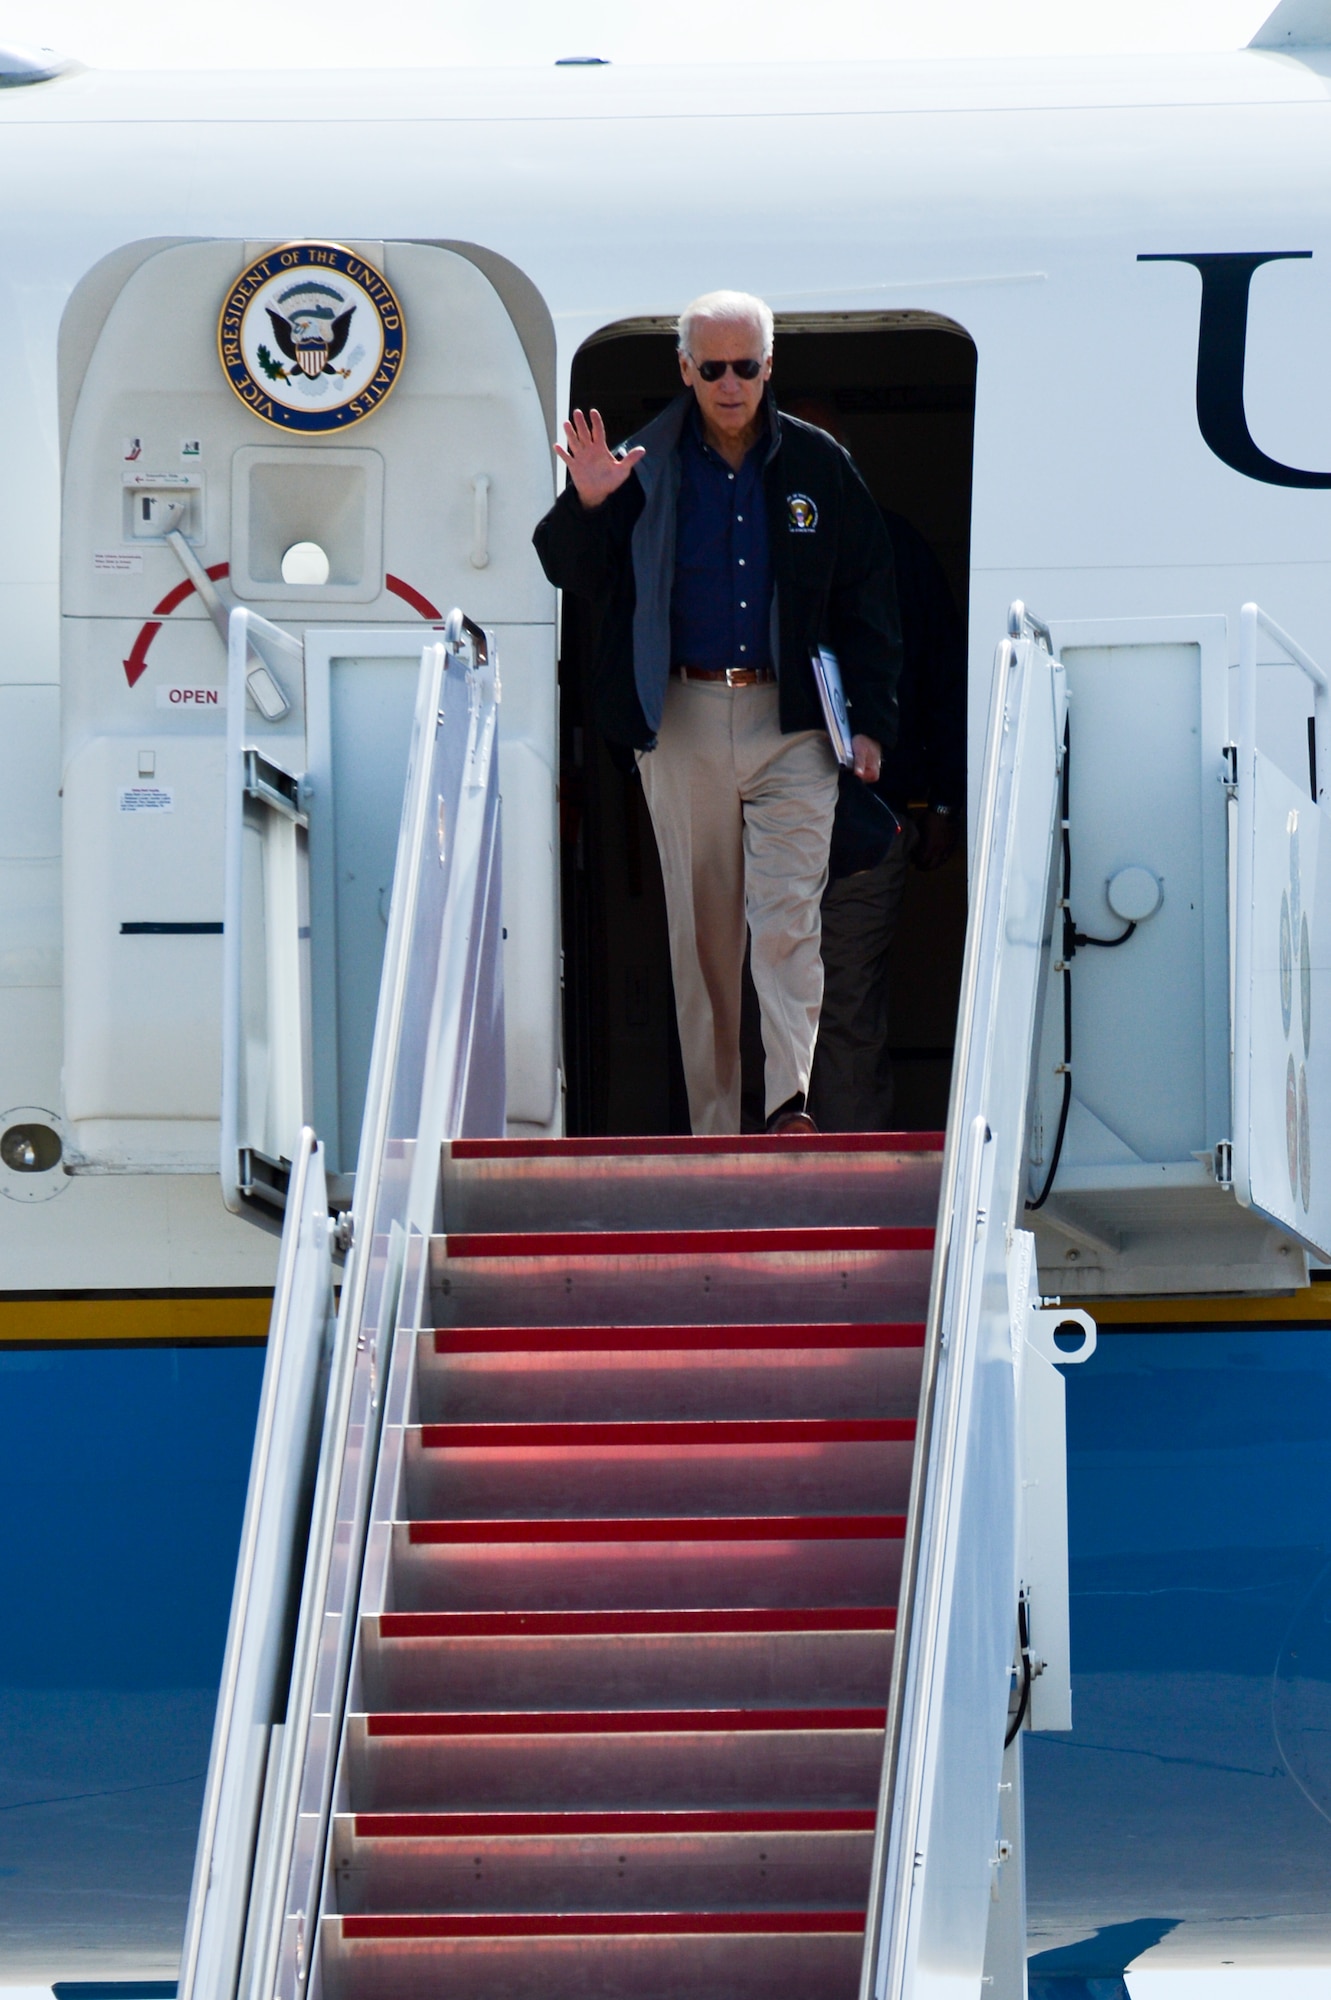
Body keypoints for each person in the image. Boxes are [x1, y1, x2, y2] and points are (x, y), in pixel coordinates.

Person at [533, 291, 902, 1135]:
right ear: (684, 371)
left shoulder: (818, 464)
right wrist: (587, 502)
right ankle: (713, 1128)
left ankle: (788, 1106)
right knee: (703, 944)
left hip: (793, 719)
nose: (729, 384)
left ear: (768, 368)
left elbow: (868, 595)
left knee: (787, 922)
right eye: (712, 368)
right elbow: (570, 573)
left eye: (745, 367)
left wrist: (870, 721)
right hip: (683, 713)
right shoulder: (640, 462)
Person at [796, 395, 965, 1132]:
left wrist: (940, 806)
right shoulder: (751, 550)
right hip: (759, 815)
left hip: (872, 819)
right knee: (759, 1000)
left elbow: (939, 682)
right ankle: (758, 1174)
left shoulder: (898, 550)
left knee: (844, 1003)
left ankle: (849, 1175)